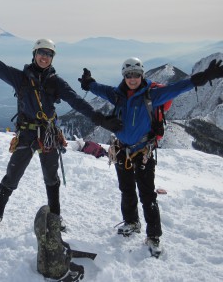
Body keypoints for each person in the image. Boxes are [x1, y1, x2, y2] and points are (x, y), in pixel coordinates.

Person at [0, 27, 123, 229]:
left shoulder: (56, 82)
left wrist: (99, 119)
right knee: (12, 175)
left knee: (51, 178)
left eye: (49, 54)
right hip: (27, 133)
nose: (44, 57)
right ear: (34, 55)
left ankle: (55, 218)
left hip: (48, 134)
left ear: (52, 58)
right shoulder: (21, 78)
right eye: (41, 53)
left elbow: (76, 101)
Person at [78, 57, 223, 253]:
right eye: (128, 75)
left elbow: (179, 87)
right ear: (124, 76)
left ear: (142, 75)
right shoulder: (117, 94)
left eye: (136, 75)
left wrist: (203, 77)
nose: (132, 78)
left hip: (142, 151)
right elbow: (100, 90)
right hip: (121, 149)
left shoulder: (152, 95)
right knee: (126, 189)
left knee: (147, 195)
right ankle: (131, 222)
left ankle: (154, 236)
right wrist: (89, 84)